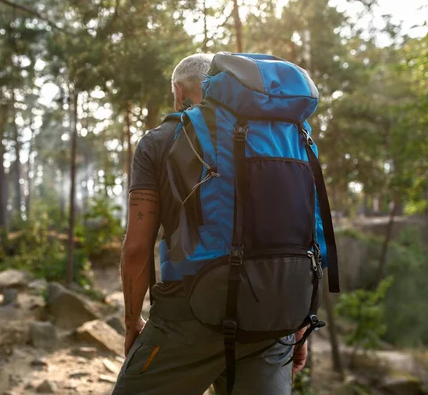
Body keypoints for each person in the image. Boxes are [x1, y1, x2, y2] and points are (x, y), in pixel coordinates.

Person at [112, 53, 309, 395]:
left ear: (179, 90)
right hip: (272, 319)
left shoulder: (159, 140)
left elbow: (137, 248)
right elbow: (303, 231)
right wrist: (297, 323)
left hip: (187, 317)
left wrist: (132, 322)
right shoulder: (279, 135)